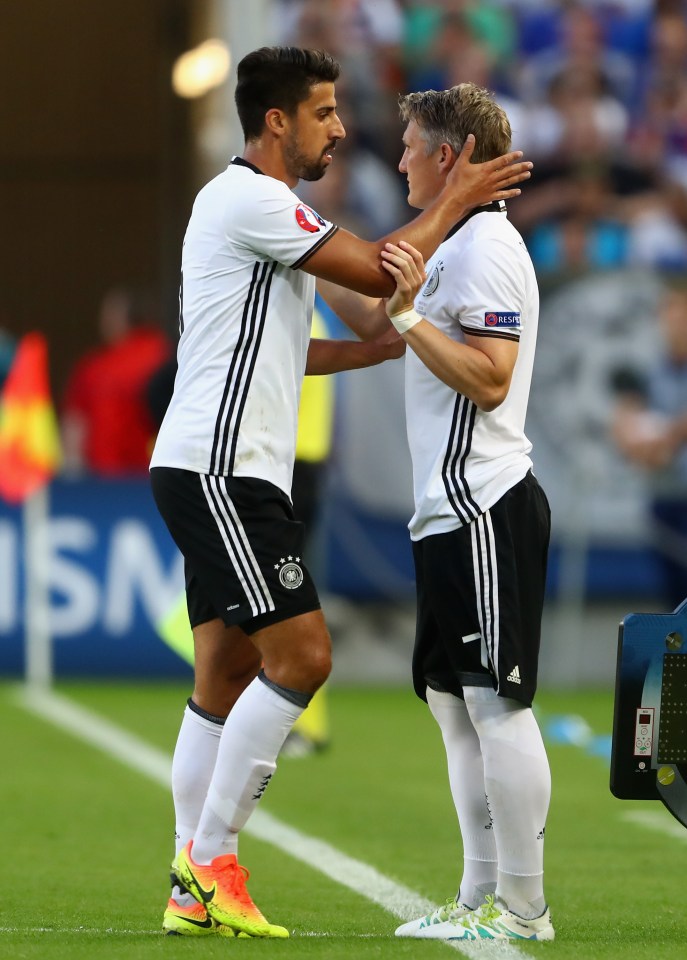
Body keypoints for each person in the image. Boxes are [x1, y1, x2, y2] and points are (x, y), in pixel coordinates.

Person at [149, 45, 532, 939]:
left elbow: (326, 331)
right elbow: (375, 272)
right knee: (305, 659)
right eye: (325, 112)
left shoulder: (262, 212)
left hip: (218, 464)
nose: (342, 129)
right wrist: (455, 201)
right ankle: (206, 864)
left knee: (225, 671)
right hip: (222, 468)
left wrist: (389, 338)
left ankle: (189, 876)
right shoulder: (251, 199)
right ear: (277, 122)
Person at [334, 82, 552, 942]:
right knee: (452, 705)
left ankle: (524, 908)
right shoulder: (452, 244)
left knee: (498, 704)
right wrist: (297, 260)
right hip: (445, 511)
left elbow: (491, 377)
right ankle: (477, 898)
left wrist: (410, 317)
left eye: (412, 145)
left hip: (484, 501)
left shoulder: (487, 248)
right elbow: (378, 312)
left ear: (451, 156)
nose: (399, 160)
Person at [611, 285, 687, 610]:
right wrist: (636, 440)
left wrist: (668, 437)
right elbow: (625, 422)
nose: (675, 322)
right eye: (670, 313)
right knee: (674, 600)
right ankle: (679, 661)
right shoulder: (651, 372)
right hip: (666, 501)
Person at [61, 286, 170, 476]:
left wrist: (73, 484)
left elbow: (74, 430)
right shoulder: (166, 356)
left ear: (119, 317)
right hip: (154, 480)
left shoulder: (95, 368)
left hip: (103, 482)